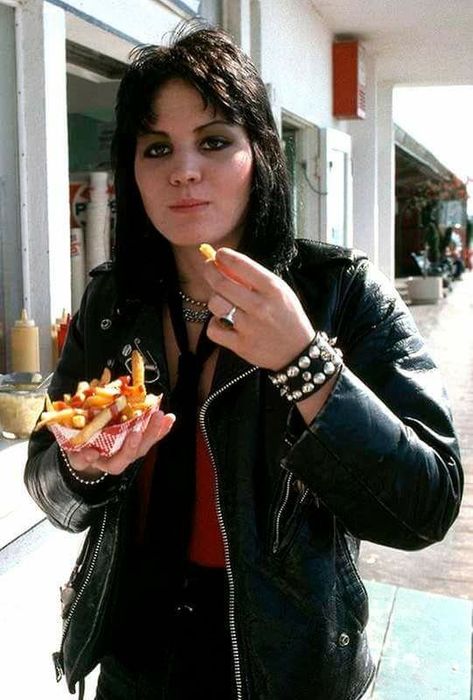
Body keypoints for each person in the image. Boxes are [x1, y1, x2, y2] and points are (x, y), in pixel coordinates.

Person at [25, 22, 463, 700]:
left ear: (260, 154)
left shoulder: (338, 292)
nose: (184, 169)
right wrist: (82, 467)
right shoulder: (116, 301)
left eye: (214, 141)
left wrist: (305, 364)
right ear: (131, 169)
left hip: (278, 662)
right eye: (156, 147)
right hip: (131, 651)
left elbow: (424, 508)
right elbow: (49, 486)